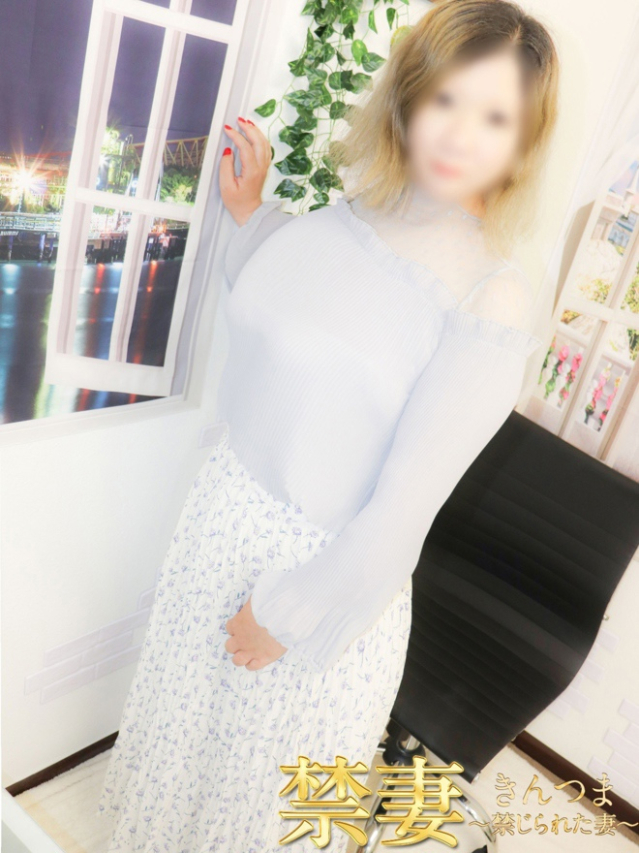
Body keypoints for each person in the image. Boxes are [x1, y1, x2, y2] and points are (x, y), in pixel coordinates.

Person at [96, 1, 559, 850]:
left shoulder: (489, 295)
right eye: (446, 98)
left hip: (309, 582)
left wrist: (286, 615)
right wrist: (249, 211)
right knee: (178, 775)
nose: (460, 134)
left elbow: (402, 513)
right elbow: (290, 314)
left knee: (245, 814)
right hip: (221, 526)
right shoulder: (355, 211)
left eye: (494, 116)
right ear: (409, 94)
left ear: (523, 138)